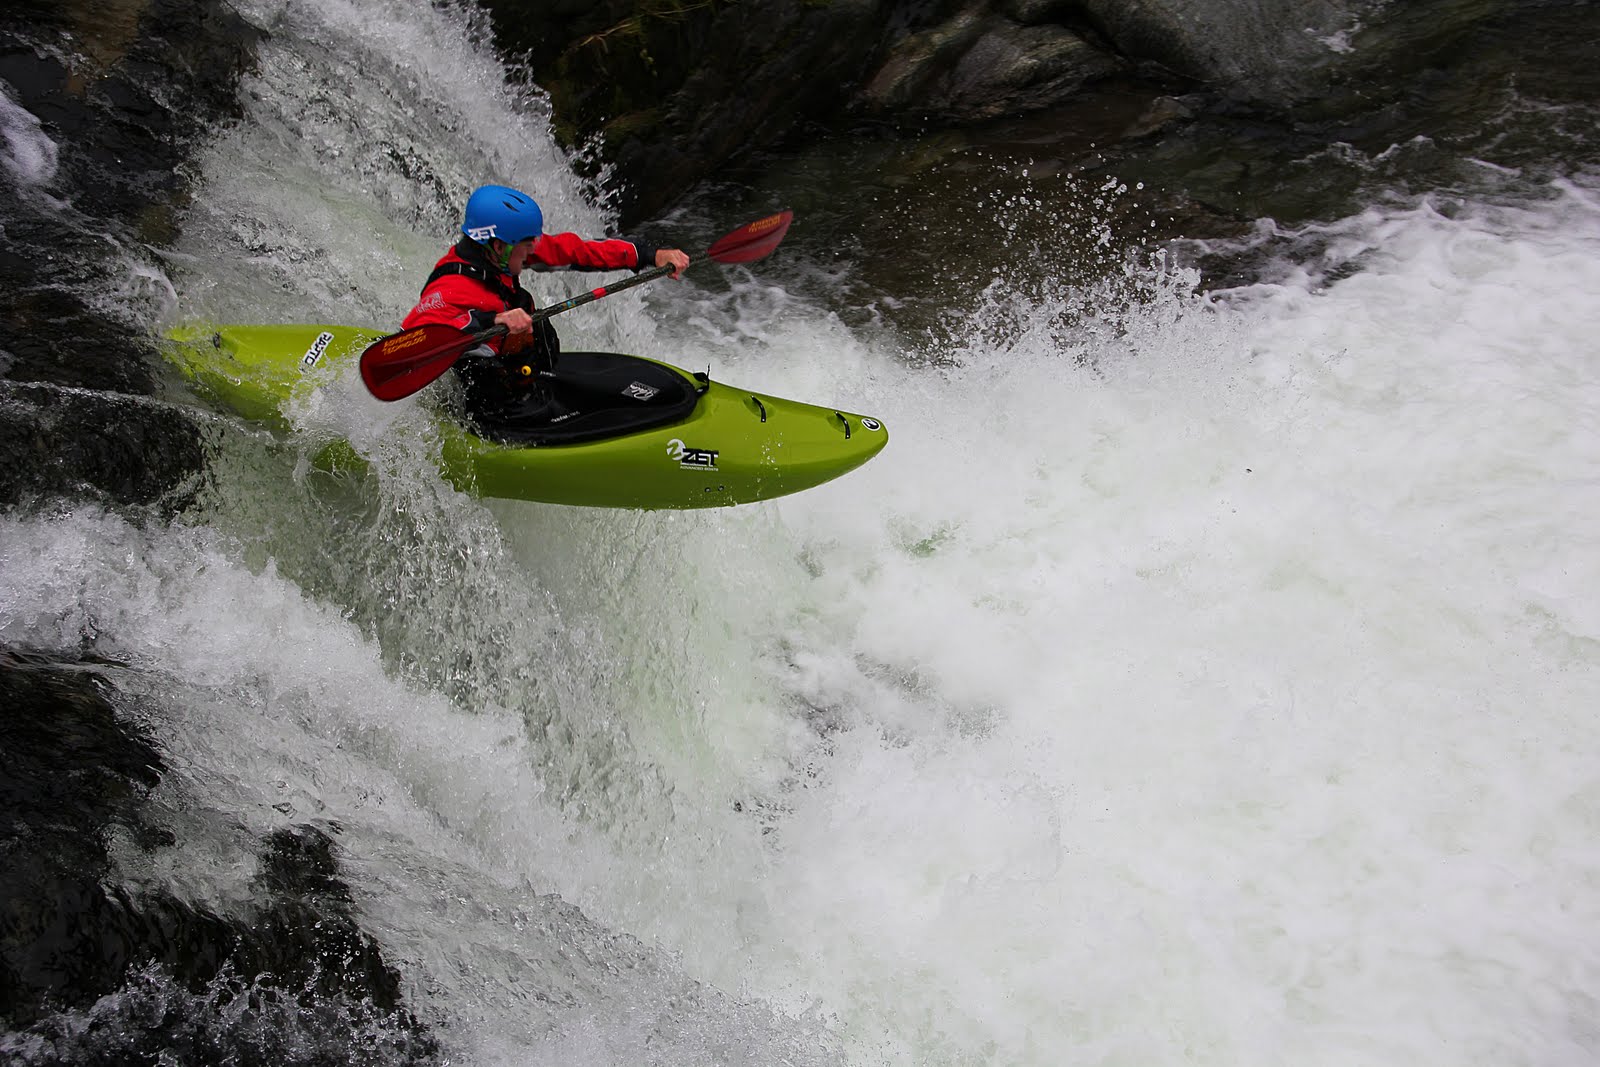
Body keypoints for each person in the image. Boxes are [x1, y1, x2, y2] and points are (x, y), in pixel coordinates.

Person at [402, 184, 690, 423]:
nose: (533, 250)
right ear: (500, 247)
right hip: (491, 409)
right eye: (528, 245)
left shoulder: (500, 255)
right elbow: (414, 342)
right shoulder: (452, 288)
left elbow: (578, 252)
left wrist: (649, 255)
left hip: (518, 376)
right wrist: (491, 321)